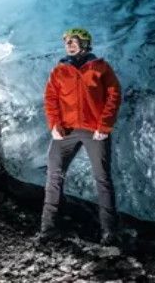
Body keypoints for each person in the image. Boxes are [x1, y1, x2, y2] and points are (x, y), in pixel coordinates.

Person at [37, 27, 123, 246]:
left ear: (85, 43)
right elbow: (51, 98)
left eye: (73, 41)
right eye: (67, 41)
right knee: (54, 176)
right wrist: (54, 124)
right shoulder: (59, 70)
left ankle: (109, 231)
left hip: (95, 132)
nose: (69, 44)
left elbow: (114, 95)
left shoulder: (101, 68)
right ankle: (47, 229)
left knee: (102, 179)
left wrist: (104, 126)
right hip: (65, 131)